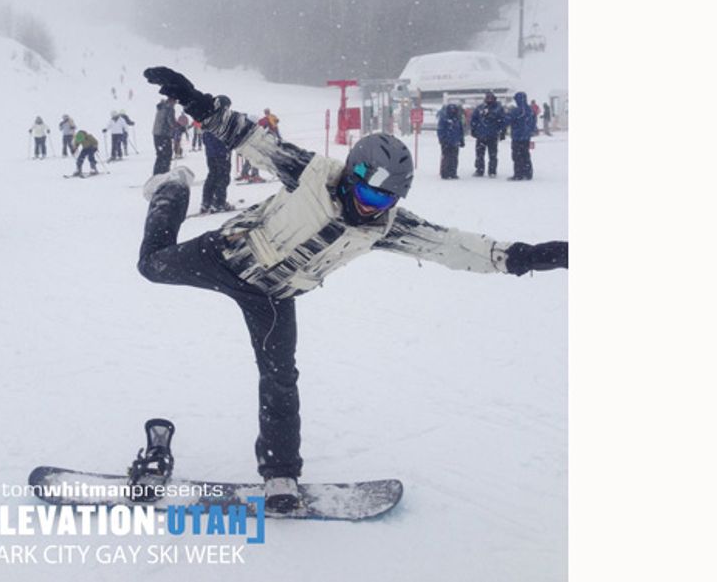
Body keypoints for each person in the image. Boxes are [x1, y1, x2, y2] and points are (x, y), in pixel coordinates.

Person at [138, 66, 568, 513]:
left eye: (385, 200)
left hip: (274, 295)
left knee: (280, 379)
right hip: (228, 256)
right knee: (151, 266)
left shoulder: (384, 226)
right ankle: (172, 189)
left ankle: (280, 472)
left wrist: (524, 256)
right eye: (369, 194)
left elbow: (452, 246)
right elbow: (250, 139)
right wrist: (195, 100)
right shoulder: (311, 173)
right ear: (351, 173)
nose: (371, 207)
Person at [200, 100, 234, 214]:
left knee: (212, 176)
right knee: (223, 177)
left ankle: (206, 202)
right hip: (221, 153)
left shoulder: (207, 117)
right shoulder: (222, 118)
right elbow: (227, 135)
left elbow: (204, 137)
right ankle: (219, 203)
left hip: (211, 154)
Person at [469, 92, 507, 177]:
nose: (489, 99)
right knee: (479, 154)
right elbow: (474, 119)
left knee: (492, 155)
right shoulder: (480, 108)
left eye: (490, 98)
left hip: (492, 135)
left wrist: (503, 132)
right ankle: (479, 170)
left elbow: (503, 121)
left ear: (494, 98)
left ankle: (492, 171)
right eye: (487, 98)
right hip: (481, 135)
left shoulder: (498, 108)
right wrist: (473, 129)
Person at [506, 92, 537, 180]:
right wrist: (530, 131)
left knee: (517, 156)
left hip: (517, 136)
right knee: (526, 154)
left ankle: (518, 174)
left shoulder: (515, 111)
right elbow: (534, 122)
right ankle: (528, 173)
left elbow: (507, 120)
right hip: (526, 137)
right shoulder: (530, 110)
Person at [436, 103, 465, 179]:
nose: (453, 111)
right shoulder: (444, 119)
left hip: (455, 142)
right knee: (446, 158)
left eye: (454, 109)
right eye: (451, 109)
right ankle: (445, 173)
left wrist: (461, 140)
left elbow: (460, 130)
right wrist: (442, 139)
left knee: (454, 158)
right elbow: (440, 130)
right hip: (446, 142)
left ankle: (453, 172)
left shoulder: (457, 119)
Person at [152, 98, 177, 175]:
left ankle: (157, 174)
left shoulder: (161, 107)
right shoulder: (169, 108)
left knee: (160, 155)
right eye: (175, 101)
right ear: (171, 101)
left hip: (156, 134)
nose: (175, 104)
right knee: (167, 155)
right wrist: (179, 127)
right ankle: (164, 173)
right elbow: (171, 121)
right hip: (164, 135)